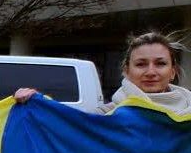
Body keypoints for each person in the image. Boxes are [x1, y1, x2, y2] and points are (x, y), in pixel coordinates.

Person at [14, 32, 191, 115]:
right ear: (126, 71)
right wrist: (38, 106)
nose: (151, 72)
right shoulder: (107, 116)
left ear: (173, 72)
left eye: (160, 64)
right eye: (141, 64)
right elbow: (72, 124)